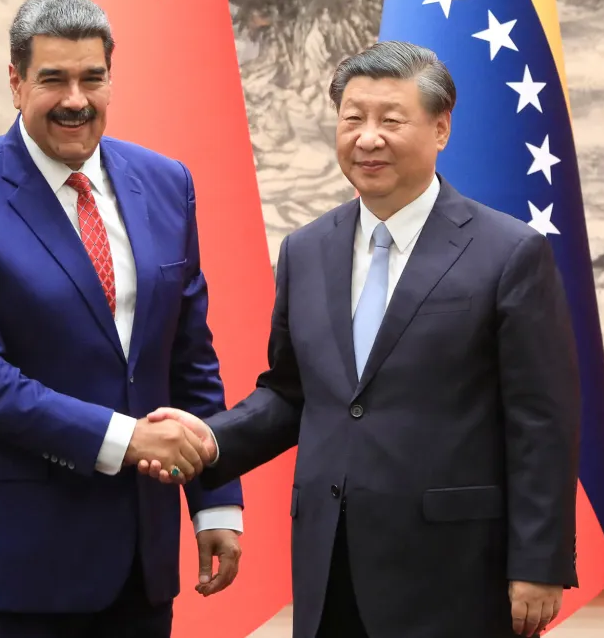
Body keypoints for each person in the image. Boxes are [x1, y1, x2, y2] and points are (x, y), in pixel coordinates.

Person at [144, 40, 580, 638]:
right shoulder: (306, 249)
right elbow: (293, 394)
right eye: (352, 118)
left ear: (441, 127)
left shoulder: (508, 253)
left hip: (455, 572)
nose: (367, 138)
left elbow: (542, 421)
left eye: (390, 120)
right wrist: (209, 441)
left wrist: (539, 563)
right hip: (331, 563)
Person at [0, 0, 244, 638]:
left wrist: (215, 501)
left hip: (141, 563)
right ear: (16, 82)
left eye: (92, 78)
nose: (75, 99)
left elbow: (188, 357)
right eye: (53, 79)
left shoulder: (167, 183)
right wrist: (129, 439)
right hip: (19, 565)